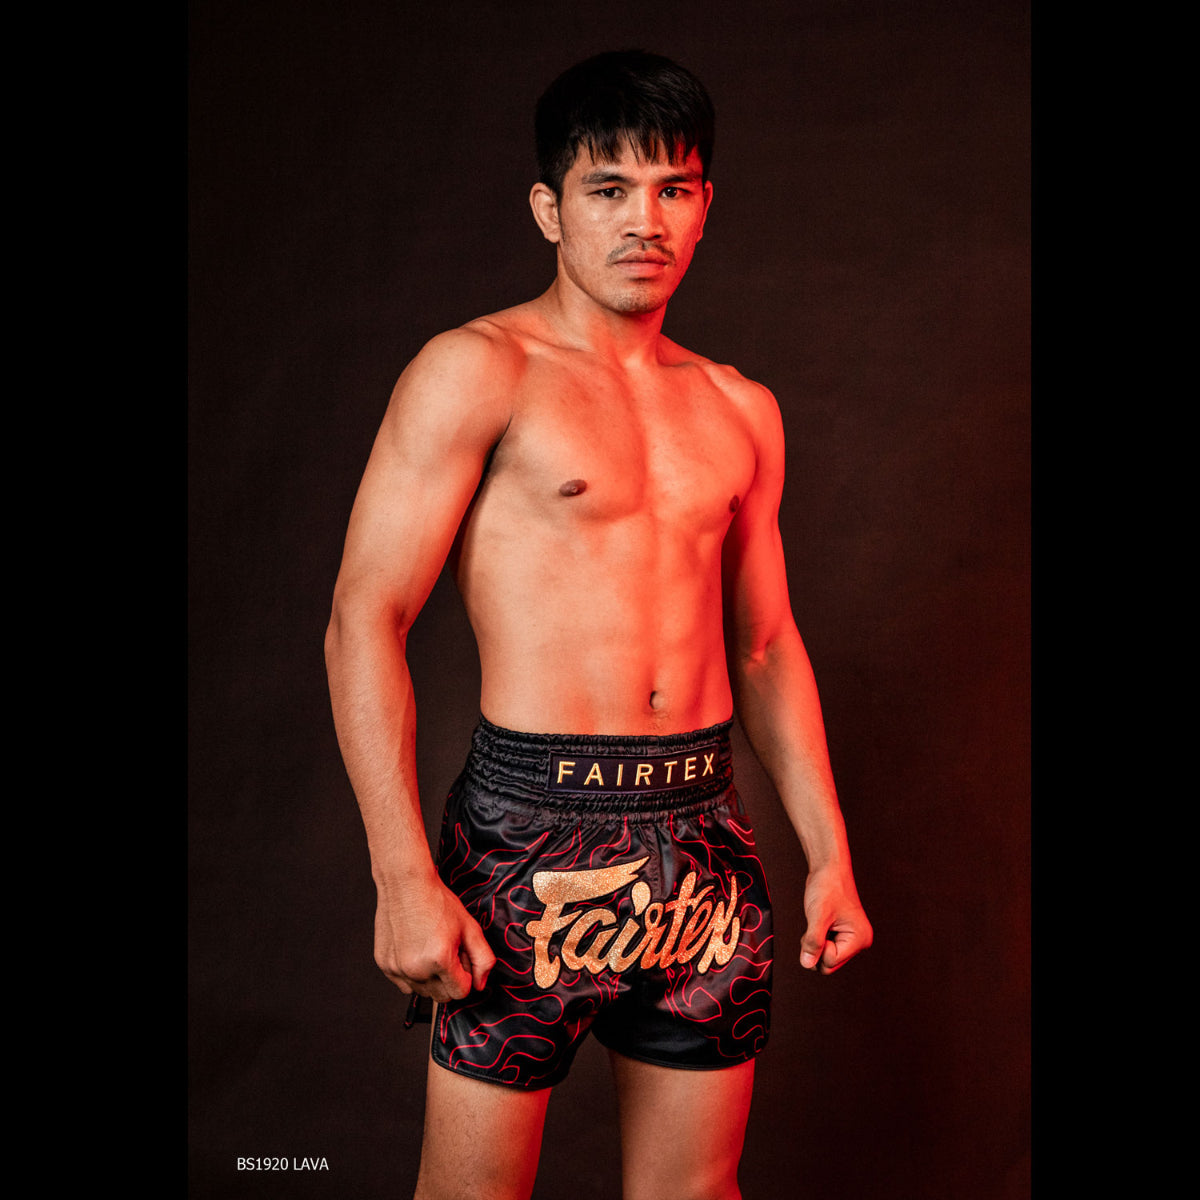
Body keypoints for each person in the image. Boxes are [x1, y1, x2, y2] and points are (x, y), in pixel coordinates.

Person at [325, 49, 872, 1200]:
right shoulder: (477, 372)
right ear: (550, 208)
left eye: (673, 189)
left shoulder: (740, 407)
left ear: (706, 205)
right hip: (528, 834)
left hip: (702, 837)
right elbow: (364, 617)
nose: (644, 220)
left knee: (694, 1193)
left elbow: (765, 645)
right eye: (609, 189)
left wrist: (828, 854)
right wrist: (400, 874)